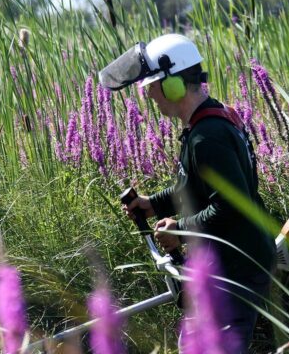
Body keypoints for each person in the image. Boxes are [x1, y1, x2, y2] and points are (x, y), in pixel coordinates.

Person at [99, 33, 276, 353]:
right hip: (226, 264)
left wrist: (180, 230)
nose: (149, 95)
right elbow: (194, 186)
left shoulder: (208, 136)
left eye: (151, 85)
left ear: (173, 85)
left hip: (235, 269)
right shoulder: (209, 121)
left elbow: (230, 206)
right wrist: (153, 204)